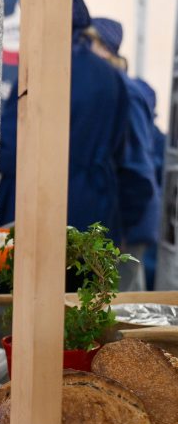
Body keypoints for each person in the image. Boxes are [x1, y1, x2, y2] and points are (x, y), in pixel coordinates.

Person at [0, 0, 155, 250]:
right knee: (86, 290)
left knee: (23, 289)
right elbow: (127, 158)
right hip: (96, 215)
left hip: (34, 212)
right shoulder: (111, 77)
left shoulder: (39, 72)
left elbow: (9, 149)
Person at [87, 17, 161, 291]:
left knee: (120, 310)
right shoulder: (108, 89)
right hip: (120, 218)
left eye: (88, 43)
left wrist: (126, 229)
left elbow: (137, 166)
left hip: (128, 221)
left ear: (104, 48)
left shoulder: (123, 93)